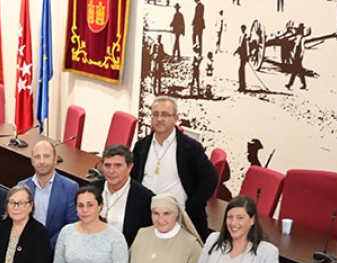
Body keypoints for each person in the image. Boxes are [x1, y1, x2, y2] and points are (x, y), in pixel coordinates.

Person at [131, 96, 218, 238]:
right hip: (146, 216)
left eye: (165, 114)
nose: (159, 119)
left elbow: (211, 177)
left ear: (175, 118)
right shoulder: (141, 146)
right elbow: (134, 178)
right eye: (155, 114)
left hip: (178, 220)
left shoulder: (190, 148)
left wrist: (192, 205)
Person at [91, 144, 154, 247]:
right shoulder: (92, 189)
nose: (111, 171)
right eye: (107, 165)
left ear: (130, 167)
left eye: (118, 165)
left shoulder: (145, 198)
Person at [236, 25, 250, 92]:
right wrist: (236, 52)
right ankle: (241, 86)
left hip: (244, 56)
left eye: (243, 29)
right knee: (241, 70)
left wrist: (248, 55)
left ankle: (242, 86)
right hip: (241, 55)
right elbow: (239, 46)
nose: (242, 30)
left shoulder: (246, 36)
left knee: (241, 70)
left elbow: (247, 47)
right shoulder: (241, 36)